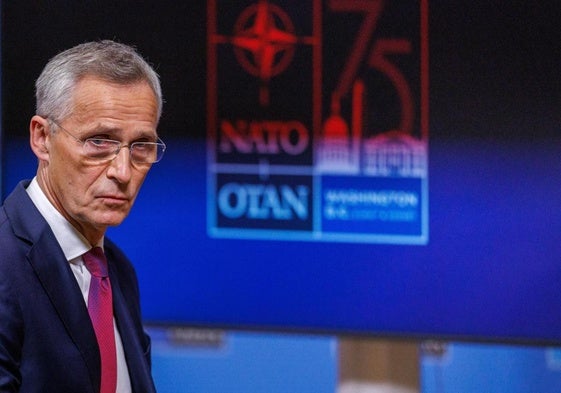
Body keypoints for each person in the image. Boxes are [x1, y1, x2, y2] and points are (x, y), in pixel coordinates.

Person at [0, 40, 166, 392]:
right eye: (99, 141)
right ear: (42, 138)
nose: (123, 171)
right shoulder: (4, 260)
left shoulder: (117, 270)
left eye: (141, 146)